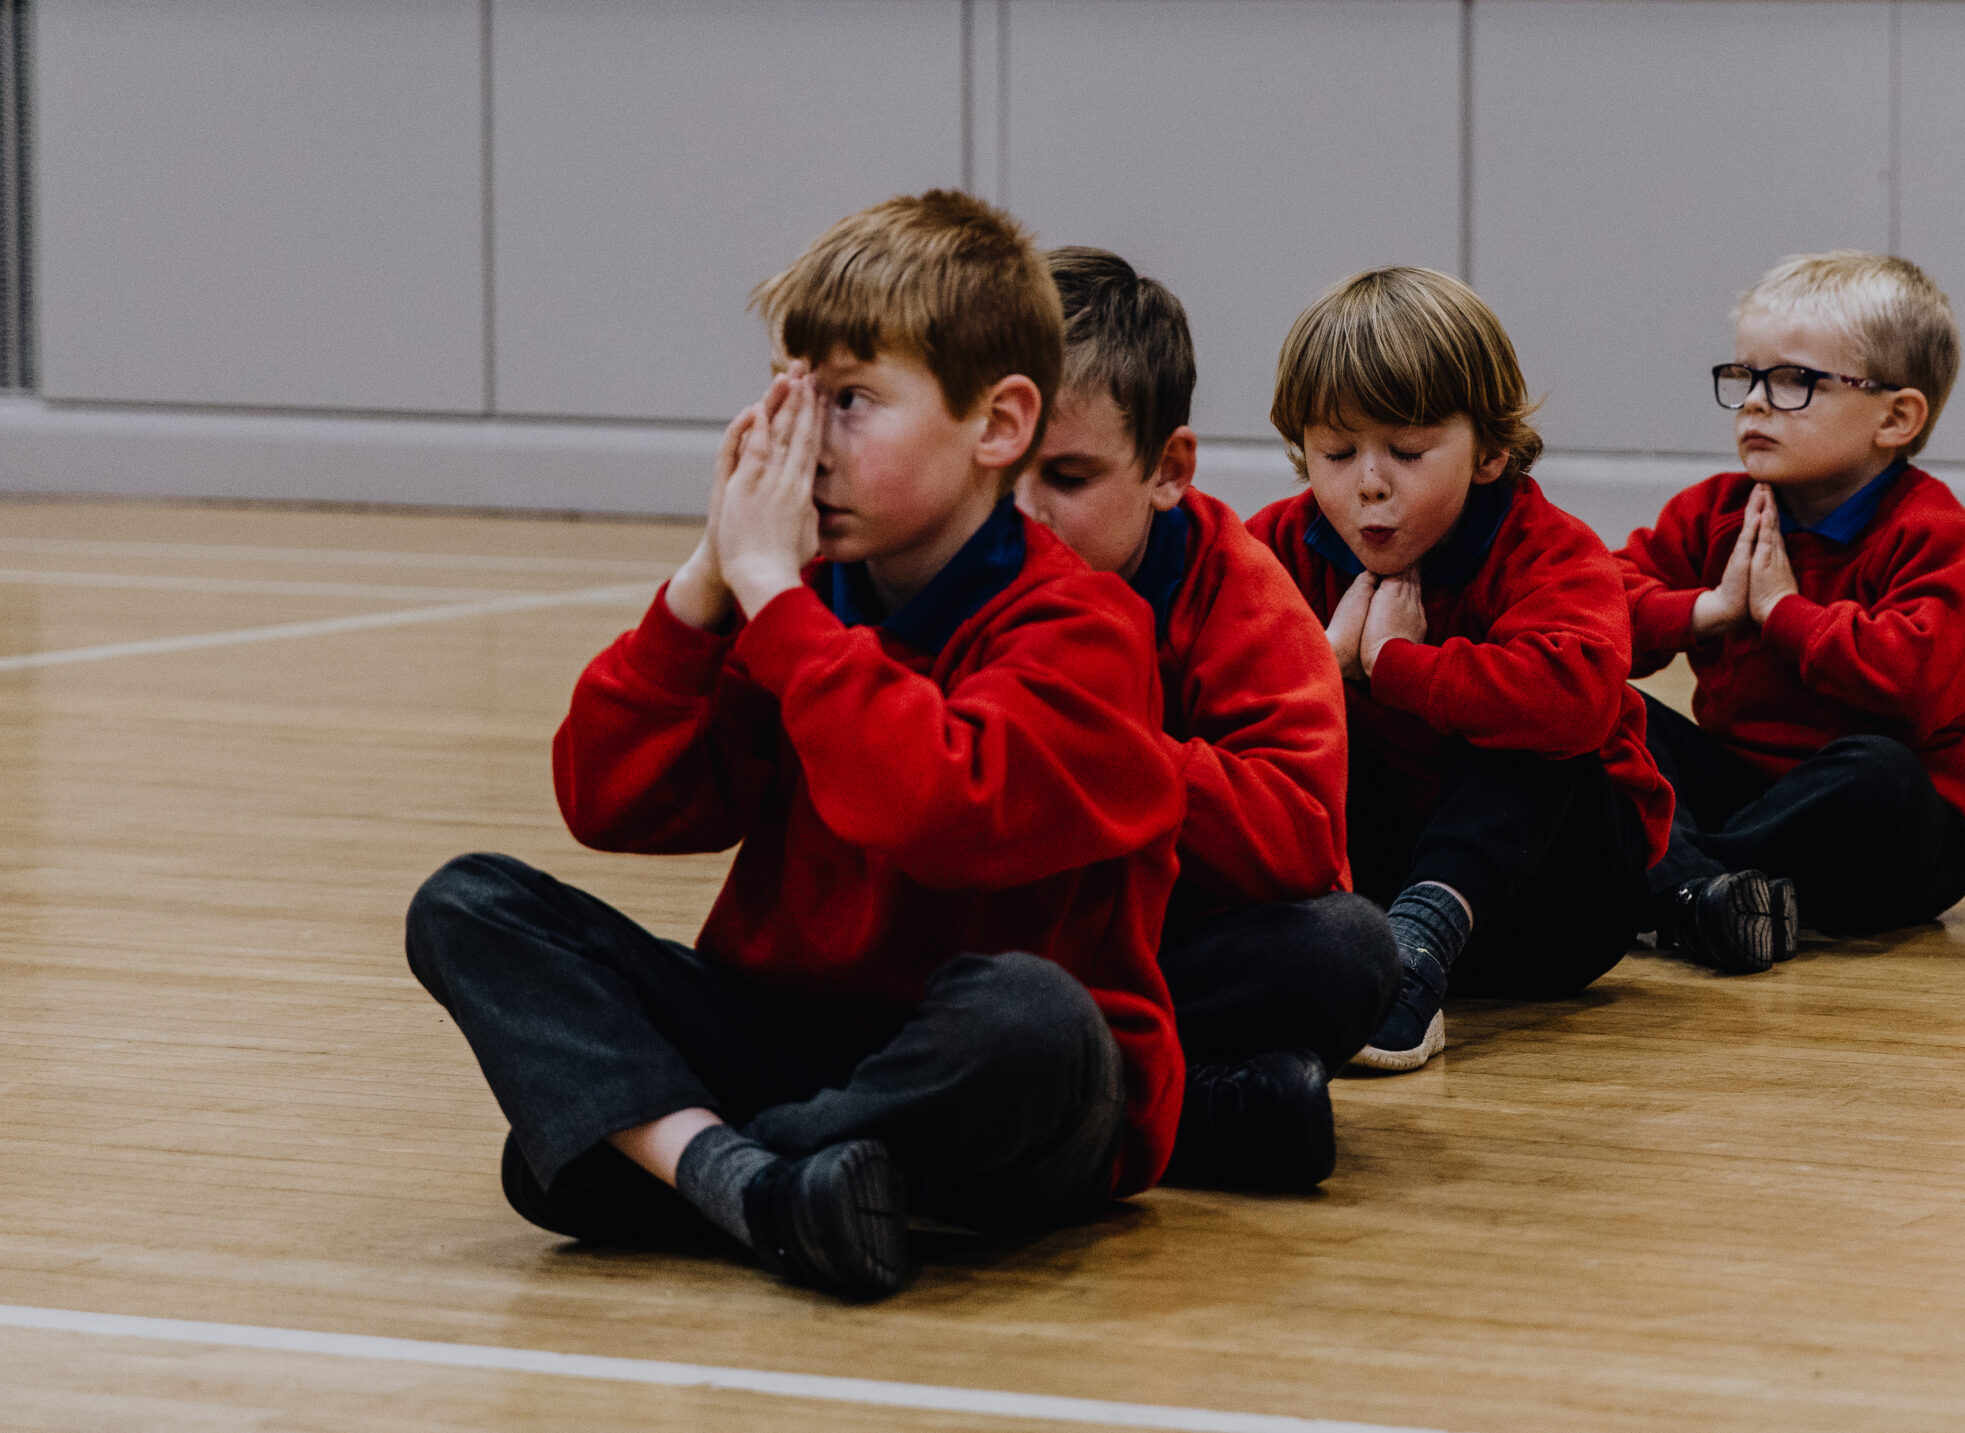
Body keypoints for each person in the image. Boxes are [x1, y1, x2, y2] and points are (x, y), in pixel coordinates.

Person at [404, 192, 1185, 1300]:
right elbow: (613, 801)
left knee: (1033, 1020)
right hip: (797, 1036)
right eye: (790, 390)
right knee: (469, 902)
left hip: (995, 1083)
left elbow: (934, 809)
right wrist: (706, 581)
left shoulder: (1088, 629)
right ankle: (771, 1187)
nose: (802, 437)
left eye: (853, 399)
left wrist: (775, 597)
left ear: (998, 426)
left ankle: (695, 1163)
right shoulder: (796, 599)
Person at [1015, 248, 1396, 1188]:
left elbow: (1303, 840)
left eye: (1066, 476)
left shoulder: (1237, 589)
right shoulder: (942, 564)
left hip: (1158, 956)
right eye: (996, 468)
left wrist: (1111, 749)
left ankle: (1106, 1109)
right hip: (988, 957)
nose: (1022, 514)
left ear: (1167, 469)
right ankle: (1197, 1120)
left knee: (1346, 951)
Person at [1249, 267, 1672, 1073]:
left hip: (1560, 907)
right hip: (1377, 884)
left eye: (1406, 451)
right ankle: (1381, 954)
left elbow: (1579, 699)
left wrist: (1400, 666)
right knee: (1283, 723)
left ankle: (1419, 946)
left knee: (1529, 718)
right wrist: (1327, 665)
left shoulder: (1547, 547)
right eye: (1335, 451)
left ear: (1490, 452)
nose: (1369, 481)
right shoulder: (1272, 546)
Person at [1615, 251, 1965, 972]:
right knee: (1607, 710)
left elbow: (1919, 687)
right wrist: (1706, 611)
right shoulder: (1714, 511)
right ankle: (1714, 896)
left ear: (1896, 417)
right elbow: (1597, 611)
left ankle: (1675, 884)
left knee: (1879, 772)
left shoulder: (1935, 534)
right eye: (1745, 377)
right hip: (1746, 795)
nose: (1757, 402)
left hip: (1893, 838)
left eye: (1796, 380)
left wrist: (1783, 612)